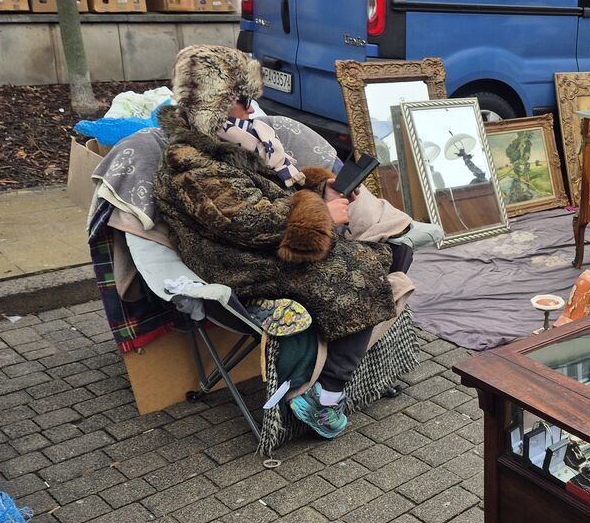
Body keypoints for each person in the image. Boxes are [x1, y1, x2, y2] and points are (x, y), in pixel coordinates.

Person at [154, 45, 412, 438]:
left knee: (395, 252)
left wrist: (318, 187)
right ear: (213, 103)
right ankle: (325, 398)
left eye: (248, 98)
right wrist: (322, 215)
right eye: (239, 99)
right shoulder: (188, 161)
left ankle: (335, 367)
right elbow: (242, 219)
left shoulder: (238, 141)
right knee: (363, 275)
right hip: (236, 261)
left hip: (264, 246)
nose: (249, 108)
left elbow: (275, 191)